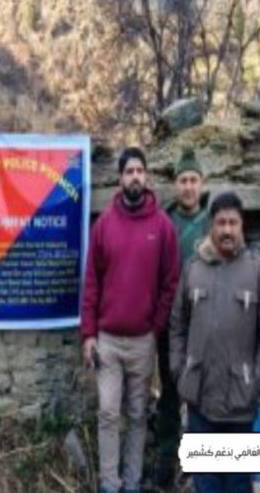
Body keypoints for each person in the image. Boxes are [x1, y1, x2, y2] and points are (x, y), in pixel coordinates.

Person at [81, 147, 179, 493]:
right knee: (108, 412)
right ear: (120, 179)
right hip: (107, 339)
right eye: (129, 171)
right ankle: (110, 482)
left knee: (138, 414)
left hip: (143, 340)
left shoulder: (162, 226)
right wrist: (88, 334)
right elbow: (91, 283)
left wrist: (156, 327)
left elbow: (170, 282)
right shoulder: (104, 225)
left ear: (146, 176)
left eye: (140, 170)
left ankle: (133, 481)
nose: (135, 176)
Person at [170, 191, 260, 493]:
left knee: (237, 486)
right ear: (211, 226)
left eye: (233, 223)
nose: (227, 229)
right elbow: (177, 324)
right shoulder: (193, 268)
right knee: (206, 485)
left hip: (239, 405)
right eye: (221, 223)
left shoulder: (257, 271)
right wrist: (180, 371)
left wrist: (255, 382)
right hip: (200, 402)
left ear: (242, 227)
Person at [155, 148, 209, 488]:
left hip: (205, 327)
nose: (188, 187)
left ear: (201, 184)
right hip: (169, 328)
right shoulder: (163, 222)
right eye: (183, 180)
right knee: (170, 395)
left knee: (202, 396)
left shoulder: (213, 222)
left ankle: (198, 463)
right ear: (176, 184)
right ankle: (166, 458)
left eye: (193, 180)